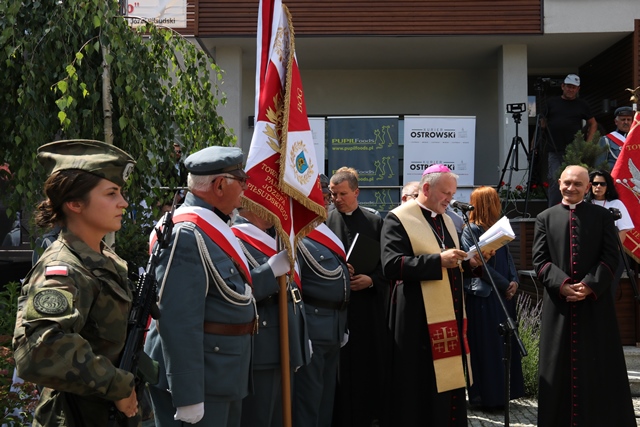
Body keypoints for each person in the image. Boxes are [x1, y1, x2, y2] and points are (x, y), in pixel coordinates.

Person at [12, 139, 140, 425]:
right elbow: (41, 349)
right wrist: (116, 385)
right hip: (75, 417)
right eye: (111, 193)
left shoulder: (104, 259)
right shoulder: (64, 268)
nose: (123, 202)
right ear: (74, 203)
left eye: (120, 192)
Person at [144, 146, 257, 427]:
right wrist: (188, 394)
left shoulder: (213, 226)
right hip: (201, 381)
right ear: (219, 185)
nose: (246, 187)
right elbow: (177, 318)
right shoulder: (187, 233)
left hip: (221, 374)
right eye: (241, 180)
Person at [380, 164, 483, 426]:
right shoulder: (398, 218)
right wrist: (438, 261)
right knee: (420, 385)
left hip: (450, 315)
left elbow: (452, 264)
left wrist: (470, 263)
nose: (450, 199)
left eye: (453, 193)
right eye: (446, 193)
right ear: (426, 188)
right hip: (417, 319)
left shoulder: (447, 220)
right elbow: (391, 265)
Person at [532, 165, 635, 427]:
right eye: (567, 183)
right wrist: (563, 284)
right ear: (559, 183)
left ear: (588, 187)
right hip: (560, 305)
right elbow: (540, 261)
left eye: (578, 184)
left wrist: (589, 285)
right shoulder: (545, 217)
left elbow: (611, 257)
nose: (571, 188)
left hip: (595, 305)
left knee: (599, 366)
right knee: (557, 368)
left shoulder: (602, 217)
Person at [231, 208, 309, 427]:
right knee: (260, 417)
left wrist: (301, 336)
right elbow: (236, 292)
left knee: (280, 417)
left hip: (287, 339)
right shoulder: (234, 238)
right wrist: (269, 271)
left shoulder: (277, 238)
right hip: (263, 346)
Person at [326, 168, 387, 427]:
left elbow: (387, 264)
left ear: (356, 192)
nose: (336, 199)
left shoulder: (375, 222)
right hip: (336, 307)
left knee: (366, 362)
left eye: (342, 194)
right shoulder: (325, 223)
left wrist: (371, 280)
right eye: (333, 194)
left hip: (366, 306)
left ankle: (367, 415)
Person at [293, 174, 350, 427]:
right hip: (312, 327)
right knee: (309, 399)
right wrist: (300, 332)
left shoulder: (324, 233)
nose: (326, 202)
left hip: (334, 326)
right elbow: (294, 289)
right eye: (322, 197)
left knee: (326, 399)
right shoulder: (296, 235)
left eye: (327, 197)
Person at [460, 186, 524, 410]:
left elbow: (509, 259)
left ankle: (505, 394)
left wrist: (514, 281)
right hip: (484, 296)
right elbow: (478, 266)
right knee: (487, 347)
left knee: (503, 345)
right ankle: (488, 397)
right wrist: (506, 284)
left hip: (502, 296)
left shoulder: (498, 228)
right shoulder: (470, 230)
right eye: (495, 200)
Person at [543, 74, 597, 206]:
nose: (570, 90)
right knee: (555, 179)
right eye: (568, 86)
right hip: (554, 148)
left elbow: (593, 123)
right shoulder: (551, 102)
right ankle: (554, 209)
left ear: (578, 89)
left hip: (575, 150)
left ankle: (576, 207)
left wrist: (587, 145)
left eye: (574, 87)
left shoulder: (582, 104)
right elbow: (542, 123)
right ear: (563, 86)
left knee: (576, 179)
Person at [585, 169, 634, 296]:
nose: (598, 187)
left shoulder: (616, 204)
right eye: (595, 183)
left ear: (608, 186)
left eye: (602, 184)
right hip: (588, 256)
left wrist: (612, 251)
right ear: (589, 185)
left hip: (611, 256)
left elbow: (623, 230)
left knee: (608, 292)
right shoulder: (584, 204)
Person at [597, 106, 635, 170]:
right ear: (616, 122)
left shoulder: (636, 140)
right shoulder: (606, 140)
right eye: (623, 119)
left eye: (628, 119)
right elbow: (599, 166)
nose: (626, 122)